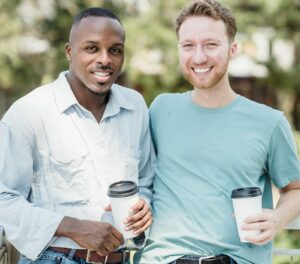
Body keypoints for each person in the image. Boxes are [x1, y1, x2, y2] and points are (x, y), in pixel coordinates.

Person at [137, 0, 300, 263]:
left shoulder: (269, 122)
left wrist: (277, 219)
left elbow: (295, 189)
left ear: (232, 49)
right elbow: (140, 174)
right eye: (188, 45)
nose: (199, 57)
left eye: (211, 45)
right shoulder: (160, 109)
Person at [0, 7, 155, 264]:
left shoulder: (135, 106)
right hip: (53, 258)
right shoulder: (29, 112)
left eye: (115, 49)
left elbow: (147, 180)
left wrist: (144, 207)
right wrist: (72, 227)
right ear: (70, 52)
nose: (105, 59)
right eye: (92, 48)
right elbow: (3, 200)